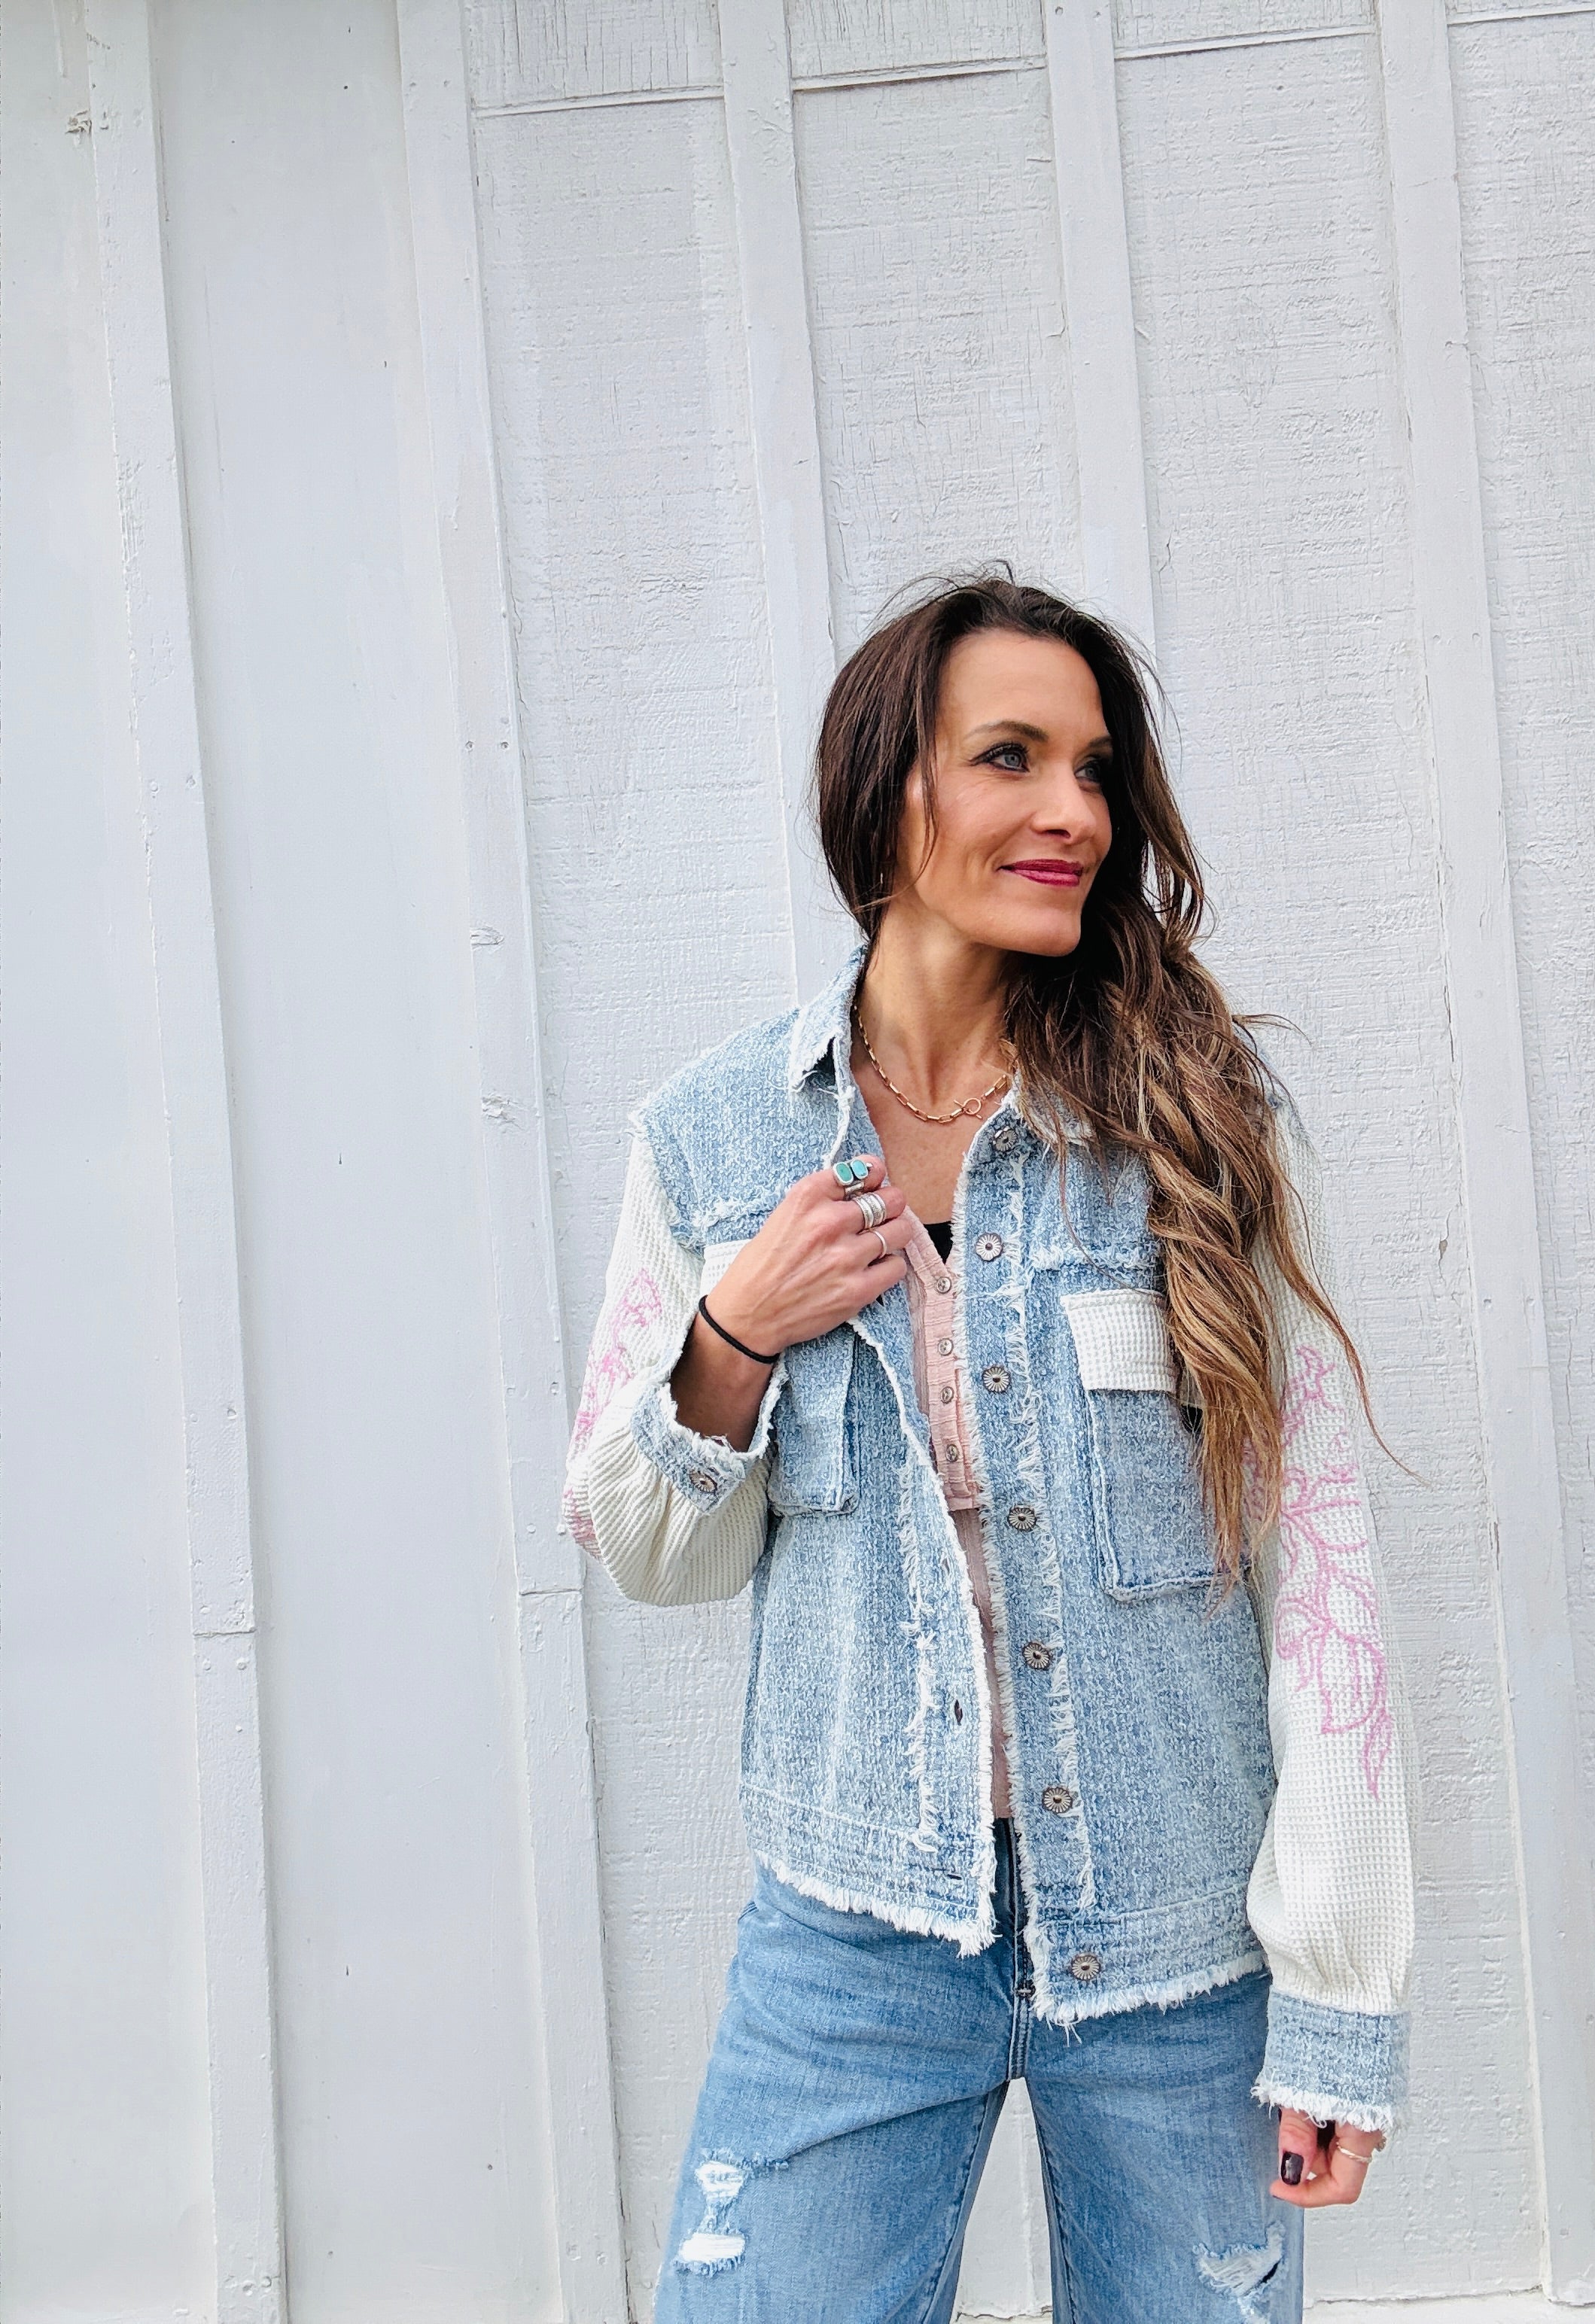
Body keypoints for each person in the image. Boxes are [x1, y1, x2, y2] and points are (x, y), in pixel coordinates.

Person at [562, 571, 1416, 2322]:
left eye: (1095, 768)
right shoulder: (716, 1136)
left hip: (1178, 1942)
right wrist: (734, 1332)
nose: (1075, 813)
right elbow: (654, 1548)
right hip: (853, 1925)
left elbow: (1319, 1573)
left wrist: (1338, 1988)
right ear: (890, 792)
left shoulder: (1196, 1125)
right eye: (1011, 756)